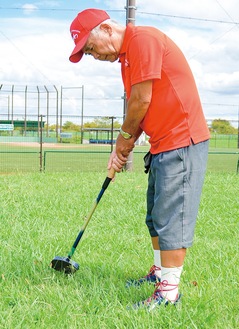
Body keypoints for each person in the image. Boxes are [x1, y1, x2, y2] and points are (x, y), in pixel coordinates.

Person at [69, 8, 210, 311]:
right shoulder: (126, 59)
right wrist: (123, 147)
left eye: (91, 48)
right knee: (156, 216)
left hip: (182, 140)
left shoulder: (142, 40)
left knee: (172, 216)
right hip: (161, 144)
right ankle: (160, 274)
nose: (94, 56)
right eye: (87, 53)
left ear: (106, 29)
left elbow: (141, 99)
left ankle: (169, 293)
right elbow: (142, 106)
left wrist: (123, 140)